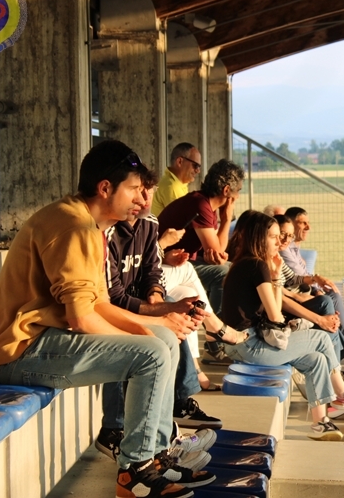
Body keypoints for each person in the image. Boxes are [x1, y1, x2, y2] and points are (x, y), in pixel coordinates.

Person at [0, 141, 214, 498]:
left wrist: (159, 323)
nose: (142, 198)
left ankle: (154, 455)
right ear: (105, 188)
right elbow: (80, 318)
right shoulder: (72, 226)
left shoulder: (90, 227)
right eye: (134, 189)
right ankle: (134, 471)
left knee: (164, 342)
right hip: (20, 352)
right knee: (152, 353)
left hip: (46, 340)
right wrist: (145, 335)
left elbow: (100, 305)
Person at [97, 170, 222, 463]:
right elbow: (112, 298)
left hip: (133, 303)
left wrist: (156, 296)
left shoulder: (149, 224)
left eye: (148, 192)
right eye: (137, 190)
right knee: (143, 339)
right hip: (109, 311)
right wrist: (161, 312)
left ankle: (164, 435)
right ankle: (116, 430)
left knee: (172, 326)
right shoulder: (106, 231)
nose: (144, 199)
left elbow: (153, 271)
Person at [220, 212, 344, 440]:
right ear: (259, 238)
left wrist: (275, 278)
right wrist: (275, 279)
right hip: (249, 345)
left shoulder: (247, 263)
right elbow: (274, 315)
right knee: (321, 338)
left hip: (246, 343)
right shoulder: (256, 266)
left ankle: (321, 423)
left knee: (316, 360)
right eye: (273, 237)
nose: (278, 242)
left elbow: (274, 310)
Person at [158, 159, 244, 315]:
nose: (237, 197)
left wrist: (216, 255)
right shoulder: (200, 205)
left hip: (182, 259)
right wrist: (226, 219)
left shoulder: (205, 203)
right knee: (224, 274)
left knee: (233, 268)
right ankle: (218, 324)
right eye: (238, 190)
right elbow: (218, 250)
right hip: (166, 262)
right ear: (226, 190)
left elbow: (215, 254)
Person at [273, 214, 344, 361]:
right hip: (282, 315)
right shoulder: (268, 259)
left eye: (290, 236)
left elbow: (293, 278)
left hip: (294, 300)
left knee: (329, 306)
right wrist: (320, 317)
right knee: (326, 302)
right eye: (283, 234)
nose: (285, 240)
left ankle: (336, 363)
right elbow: (280, 296)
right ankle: (337, 363)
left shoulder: (276, 257)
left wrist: (316, 278)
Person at [152, 142, 202, 216]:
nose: (198, 171)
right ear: (180, 161)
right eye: (195, 166)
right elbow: (184, 220)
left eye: (199, 167)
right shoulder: (172, 187)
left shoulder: (174, 182)